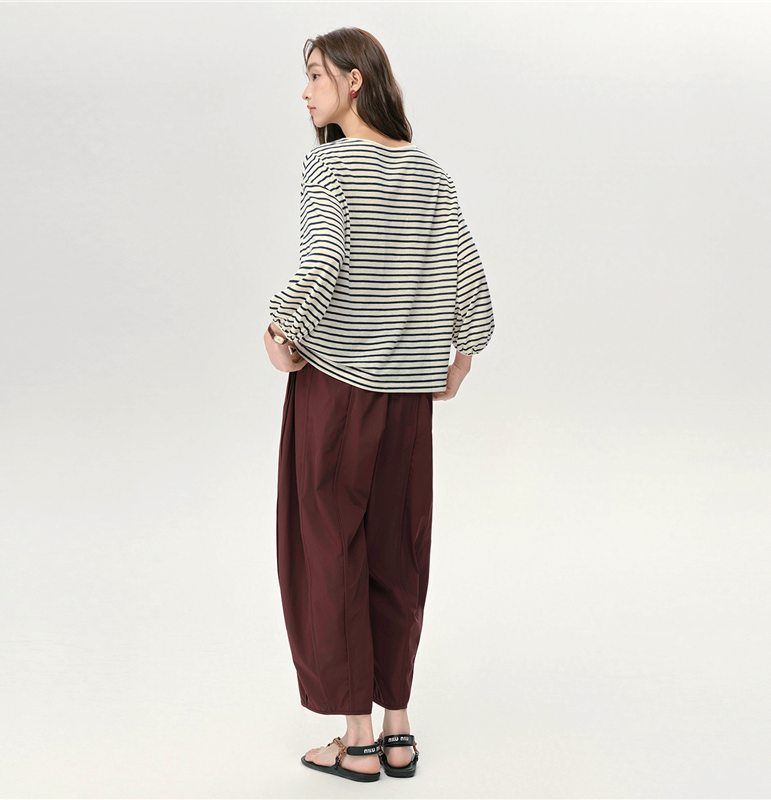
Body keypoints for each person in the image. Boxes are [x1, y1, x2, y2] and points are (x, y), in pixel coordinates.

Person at [263, 27, 495, 783]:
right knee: (399, 552)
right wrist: (463, 349)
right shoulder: (429, 172)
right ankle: (399, 730)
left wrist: (282, 328)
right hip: (407, 404)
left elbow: (324, 259)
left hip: (336, 393)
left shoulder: (329, 165)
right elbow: (467, 269)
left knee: (329, 550)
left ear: (354, 80)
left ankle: (356, 741)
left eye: (315, 75)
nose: (305, 91)